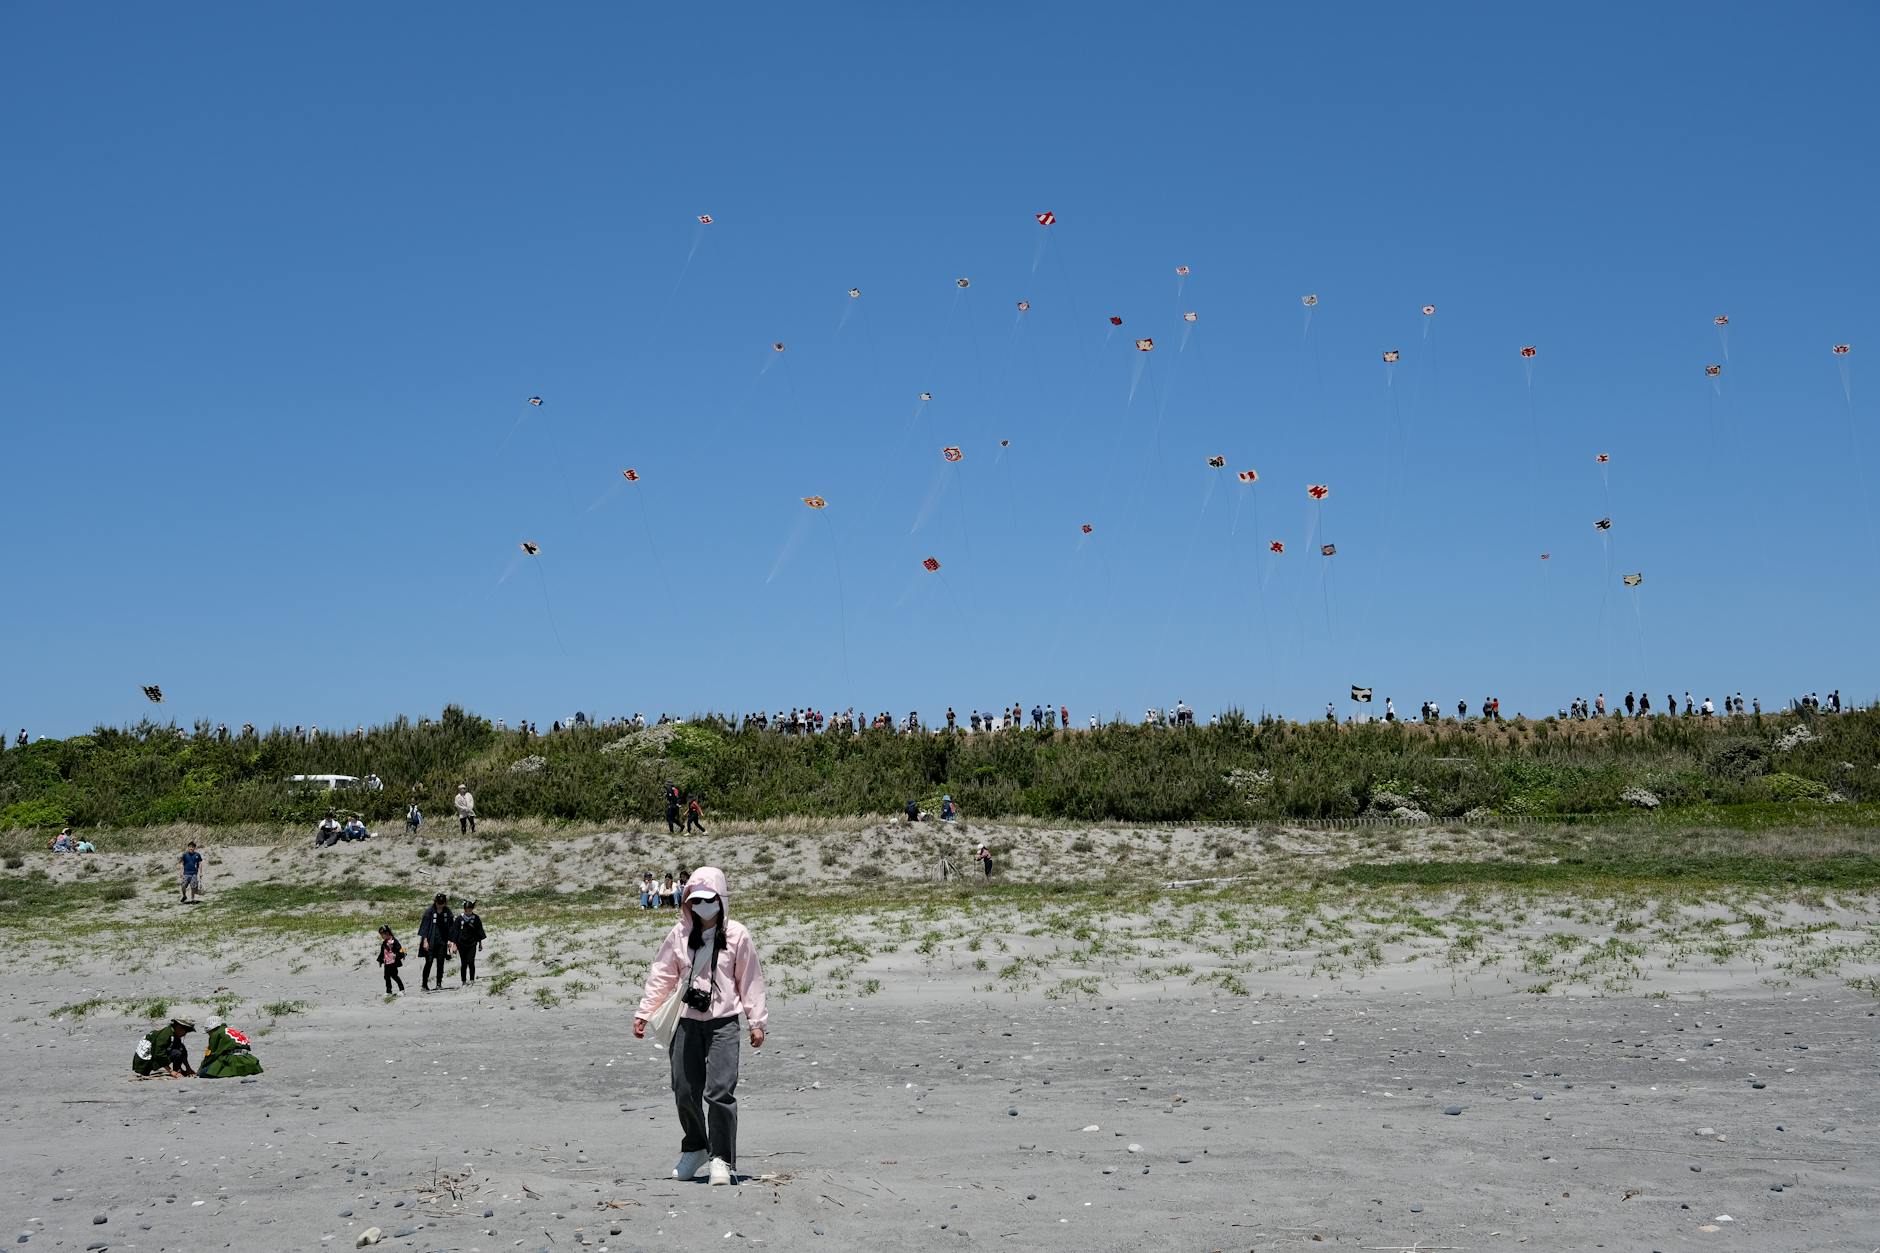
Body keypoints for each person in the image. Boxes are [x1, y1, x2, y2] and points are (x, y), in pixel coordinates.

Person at [633, 868, 769, 1187]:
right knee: (684, 1088)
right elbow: (662, 975)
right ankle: (695, 1147)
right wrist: (644, 1012)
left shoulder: (737, 934)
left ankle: (721, 1158)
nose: (702, 906)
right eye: (695, 900)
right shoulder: (680, 934)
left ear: (721, 900)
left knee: (719, 1092)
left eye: (708, 900)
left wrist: (756, 1022)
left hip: (724, 1022)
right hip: (686, 1021)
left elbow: (750, 979)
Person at [198, 1017, 262, 1078]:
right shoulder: (232, 1030)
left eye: (208, 1032)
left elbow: (212, 1055)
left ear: (212, 1029)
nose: (209, 1034)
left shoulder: (216, 1033)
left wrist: (200, 1070)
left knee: (203, 1072)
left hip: (234, 1060)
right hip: (250, 1061)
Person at [418, 894, 456, 991]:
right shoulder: (429, 911)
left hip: (442, 941)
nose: (440, 905)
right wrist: (425, 941)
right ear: (435, 902)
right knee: (429, 962)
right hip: (430, 940)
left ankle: (439, 984)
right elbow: (424, 927)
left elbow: (451, 927)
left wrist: (451, 941)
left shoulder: (447, 912)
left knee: (440, 962)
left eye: (442, 903)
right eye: (438, 903)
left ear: (445, 903)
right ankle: (424, 985)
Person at [455, 900, 486, 985]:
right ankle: (464, 981)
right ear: (464, 909)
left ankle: (472, 980)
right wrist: (454, 944)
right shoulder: (459, 918)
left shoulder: (476, 918)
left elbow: (479, 931)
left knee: (471, 961)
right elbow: (455, 931)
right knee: (464, 963)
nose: (468, 911)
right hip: (461, 943)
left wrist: (480, 943)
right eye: (467, 909)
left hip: (472, 943)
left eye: (470, 909)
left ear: (472, 909)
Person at [377, 925, 406, 995]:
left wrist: (398, 955)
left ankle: (402, 989)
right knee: (386, 977)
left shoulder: (394, 941)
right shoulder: (384, 943)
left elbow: (401, 950)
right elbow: (382, 952)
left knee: (394, 976)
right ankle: (388, 991)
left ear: (387, 933)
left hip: (393, 962)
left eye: (382, 934)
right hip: (387, 963)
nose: (381, 936)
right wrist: (380, 960)